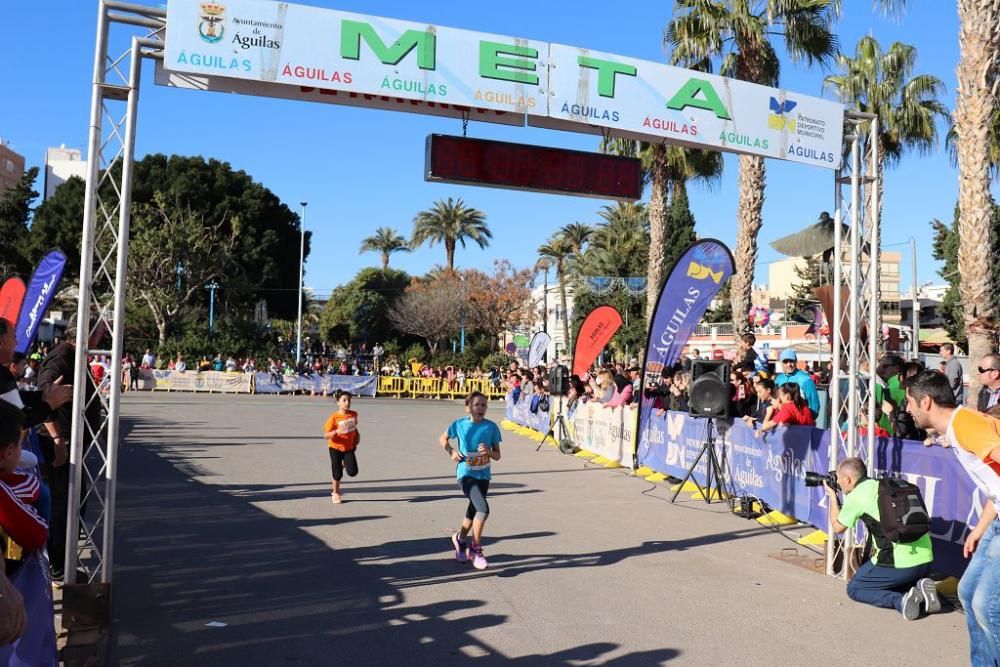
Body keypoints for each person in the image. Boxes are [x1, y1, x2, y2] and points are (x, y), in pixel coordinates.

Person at [904, 371, 1000, 662]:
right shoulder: (959, 427)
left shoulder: (966, 424)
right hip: (996, 521)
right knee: (968, 592)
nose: (907, 409)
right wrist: (981, 527)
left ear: (926, 401)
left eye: (910, 402)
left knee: (987, 605)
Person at [825, 457, 937, 621]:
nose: (838, 483)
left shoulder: (857, 497)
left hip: (899, 564)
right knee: (888, 580)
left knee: (855, 588)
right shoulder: (885, 486)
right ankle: (920, 588)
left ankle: (901, 601)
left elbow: (837, 527)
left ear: (848, 480)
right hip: (926, 560)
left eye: (839, 479)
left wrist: (833, 497)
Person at [439, 391, 501, 570]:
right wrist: (451, 451)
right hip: (465, 474)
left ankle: (459, 540)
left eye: (483, 405)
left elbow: (497, 455)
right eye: (476, 404)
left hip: (483, 476)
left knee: (473, 512)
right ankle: (475, 548)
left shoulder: (491, 427)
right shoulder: (459, 424)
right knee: (483, 509)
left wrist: (488, 452)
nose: (480, 408)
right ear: (468, 408)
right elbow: (442, 438)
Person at [322, 390, 359, 504]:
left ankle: (342, 464)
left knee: (353, 471)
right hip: (335, 447)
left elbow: (354, 429)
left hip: (349, 447)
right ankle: (336, 492)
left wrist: (356, 439)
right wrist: (337, 431)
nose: (347, 402)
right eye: (344, 400)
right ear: (338, 402)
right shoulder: (334, 417)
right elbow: (326, 435)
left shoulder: (353, 414)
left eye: (349, 400)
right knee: (337, 473)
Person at [774, 349, 820, 418]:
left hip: (800, 423)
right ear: (781, 362)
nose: (789, 364)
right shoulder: (778, 379)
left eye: (791, 361)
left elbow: (814, 405)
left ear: (796, 360)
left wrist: (807, 422)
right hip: (781, 422)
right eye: (785, 362)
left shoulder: (805, 379)